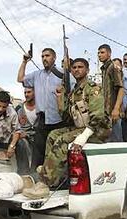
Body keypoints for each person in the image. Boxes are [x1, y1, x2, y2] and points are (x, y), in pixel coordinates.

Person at [35, 58, 111, 189]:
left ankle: (45, 183)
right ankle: (52, 173)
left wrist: (84, 136)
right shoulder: (74, 92)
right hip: (81, 127)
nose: (76, 69)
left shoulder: (93, 88)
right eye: (74, 67)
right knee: (53, 135)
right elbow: (67, 118)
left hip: (97, 130)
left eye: (80, 67)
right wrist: (60, 98)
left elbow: (98, 117)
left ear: (87, 70)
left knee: (62, 140)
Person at [17, 48, 65, 171]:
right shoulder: (37, 75)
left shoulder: (62, 74)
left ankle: (57, 180)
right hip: (42, 119)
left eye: (47, 56)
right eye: (42, 56)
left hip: (59, 118)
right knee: (38, 151)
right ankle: (36, 178)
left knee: (57, 151)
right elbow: (20, 78)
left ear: (54, 58)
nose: (44, 58)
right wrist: (24, 61)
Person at [98, 44, 125, 142]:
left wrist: (116, 109)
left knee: (117, 141)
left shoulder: (113, 67)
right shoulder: (104, 69)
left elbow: (121, 89)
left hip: (113, 112)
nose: (99, 55)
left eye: (102, 52)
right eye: (98, 53)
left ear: (109, 54)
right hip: (106, 112)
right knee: (108, 141)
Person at [16, 85, 37, 172]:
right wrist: (20, 132)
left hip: (37, 136)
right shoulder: (19, 109)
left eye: (29, 92)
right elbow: (14, 125)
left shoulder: (41, 107)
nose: (26, 94)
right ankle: (24, 172)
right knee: (21, 143)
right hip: (24, 137)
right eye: (25, 92)